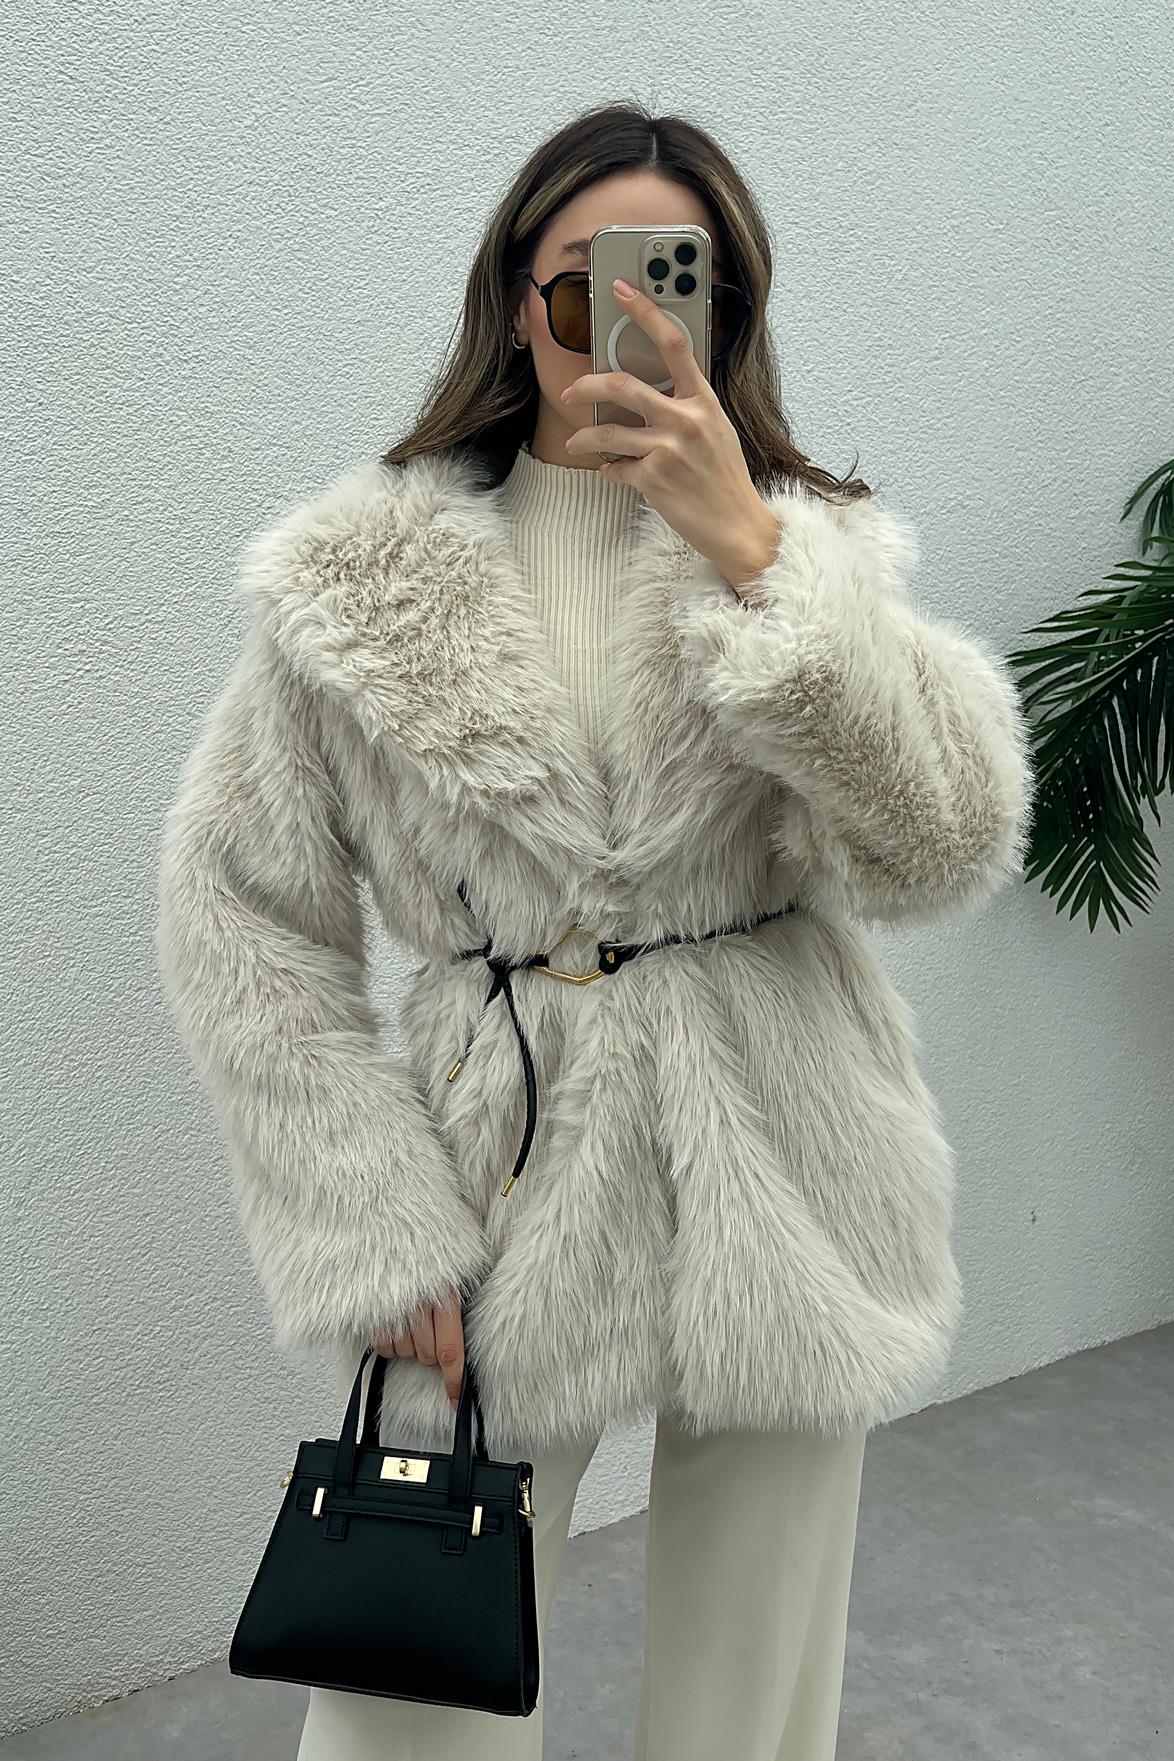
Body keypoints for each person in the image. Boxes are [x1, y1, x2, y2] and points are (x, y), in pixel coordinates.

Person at [155, 101, 1035, 1761]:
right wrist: (366, 1218)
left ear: (724, 312)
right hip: (499, 1152)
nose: (619, 323)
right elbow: (241, 912)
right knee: (411, 1682)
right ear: (513, 301)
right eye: (579, 286)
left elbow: (941, 846)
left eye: (667, 284)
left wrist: (754, 559)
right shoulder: (354, 579)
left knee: (755, 1676)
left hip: (784, 1141)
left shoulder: (809, 553)